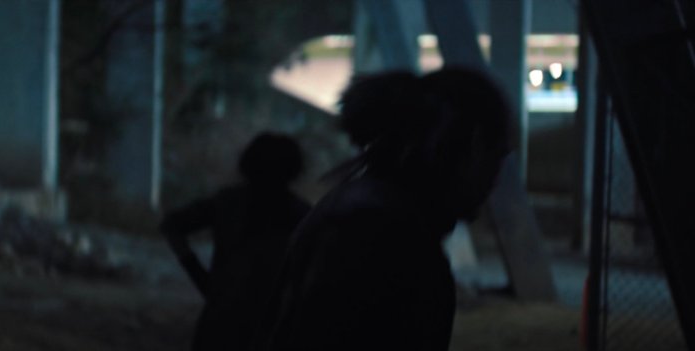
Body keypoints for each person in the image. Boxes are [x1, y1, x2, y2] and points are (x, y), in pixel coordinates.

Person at [253, 68, 511, 351]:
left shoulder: (364, 213)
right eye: (496, 156)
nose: (495, 179)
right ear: (474, 145)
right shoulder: (384, 234)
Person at [160, 132, 311, 351]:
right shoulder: (302, 215)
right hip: (265, 325)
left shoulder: (229, 203)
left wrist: (198, 275)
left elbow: (171, 226)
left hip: (225, 321)